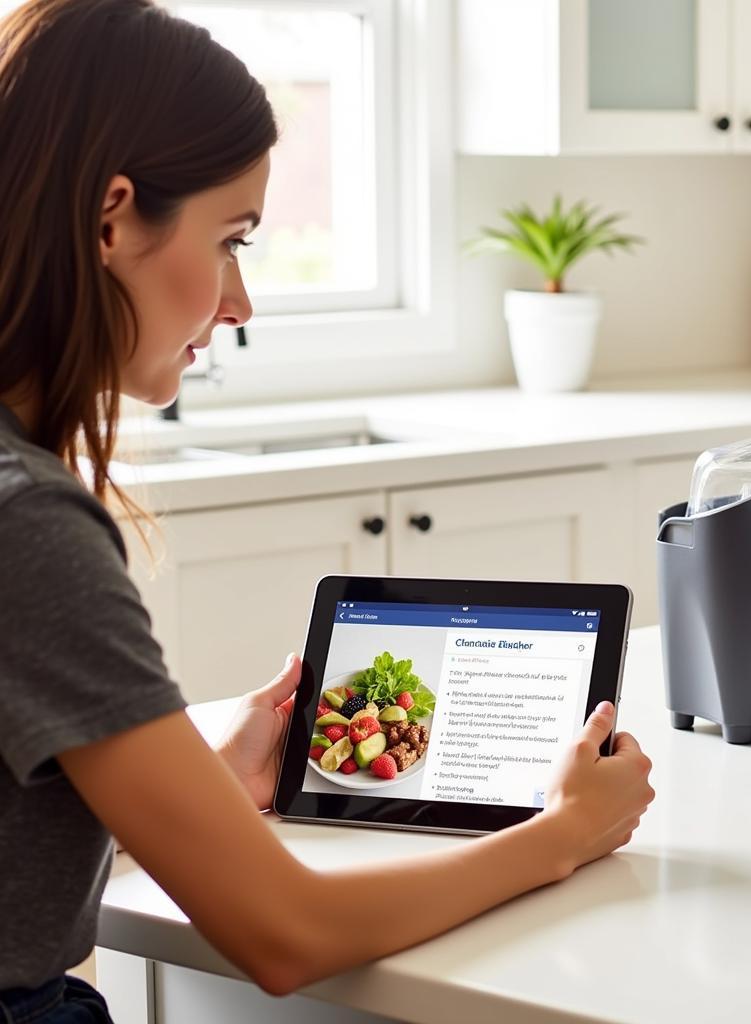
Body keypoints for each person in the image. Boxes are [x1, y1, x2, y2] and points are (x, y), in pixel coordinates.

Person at [0, 0, 655, 1017]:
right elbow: (286, 936)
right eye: (230, 239)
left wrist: (206, 788)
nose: (239, 302)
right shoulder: (30, 527)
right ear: (110, 215)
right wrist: (564, 831)